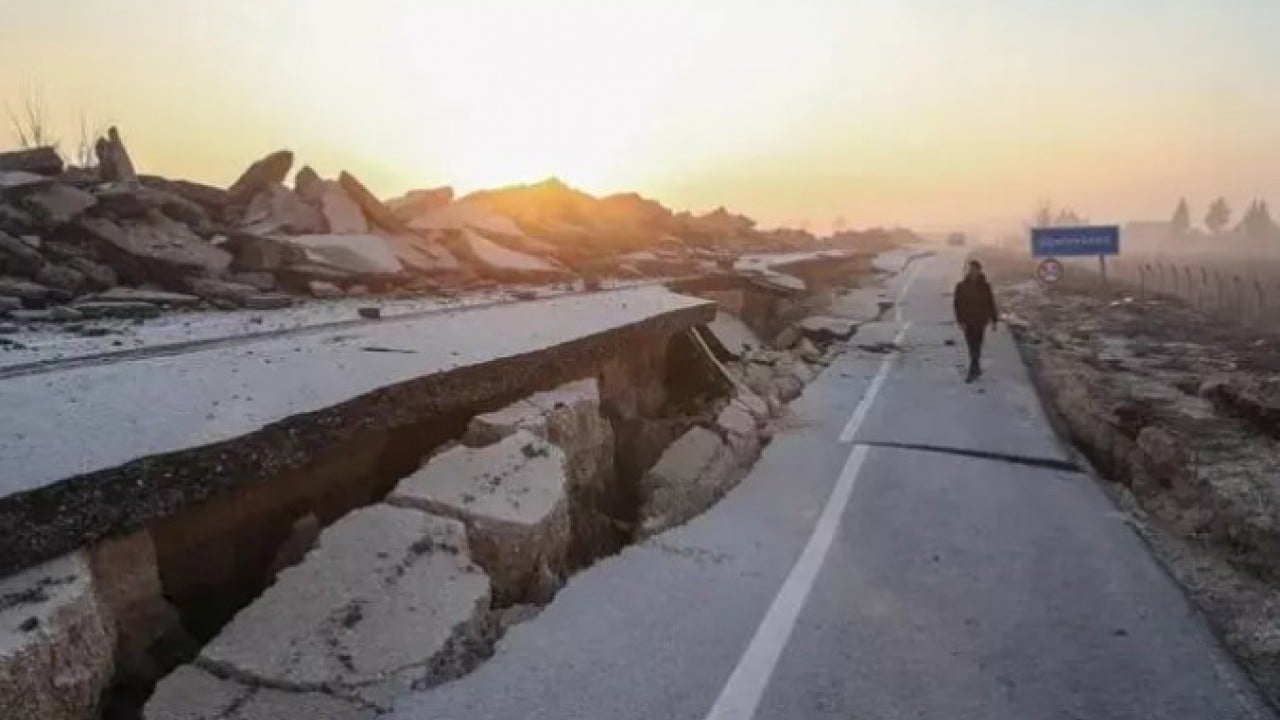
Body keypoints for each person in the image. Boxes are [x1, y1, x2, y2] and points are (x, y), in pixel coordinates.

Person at [953, 259, 998, 382]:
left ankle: (973, 368)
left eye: (976, 270)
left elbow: (990, 303)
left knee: (977, 344)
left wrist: (994, 319)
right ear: (969, 271)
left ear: (979, 271)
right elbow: (957, 304)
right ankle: (975, 366)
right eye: (972, 269)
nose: (974, 272)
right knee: (970, 344)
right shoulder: (961, 286)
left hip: (980, 320)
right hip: (967, 321)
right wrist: (959, 319)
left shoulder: (985, 287)